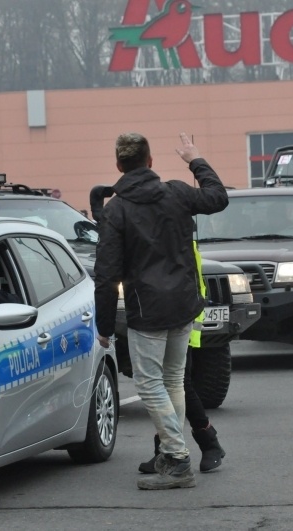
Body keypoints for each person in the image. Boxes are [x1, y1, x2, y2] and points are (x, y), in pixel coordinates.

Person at [94, 132, 228, 490]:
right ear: (150, 162)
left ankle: (178, 457)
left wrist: (104, 324)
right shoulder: (177, 192)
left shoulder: (116, 210)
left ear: (119, 166)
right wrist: (195, 159)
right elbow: (218, 197)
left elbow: (106, 274)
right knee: (172, 381)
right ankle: (172, 456)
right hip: (184, 305)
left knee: (150, 384)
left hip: (147, 311)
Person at [137, 242, 226, 476]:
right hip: (171, 317)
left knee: (178, 384)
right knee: (170, 385)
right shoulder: (167, 233)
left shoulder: (180, 240)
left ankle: (208, 444)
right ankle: (169, 450)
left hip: (183, 320)